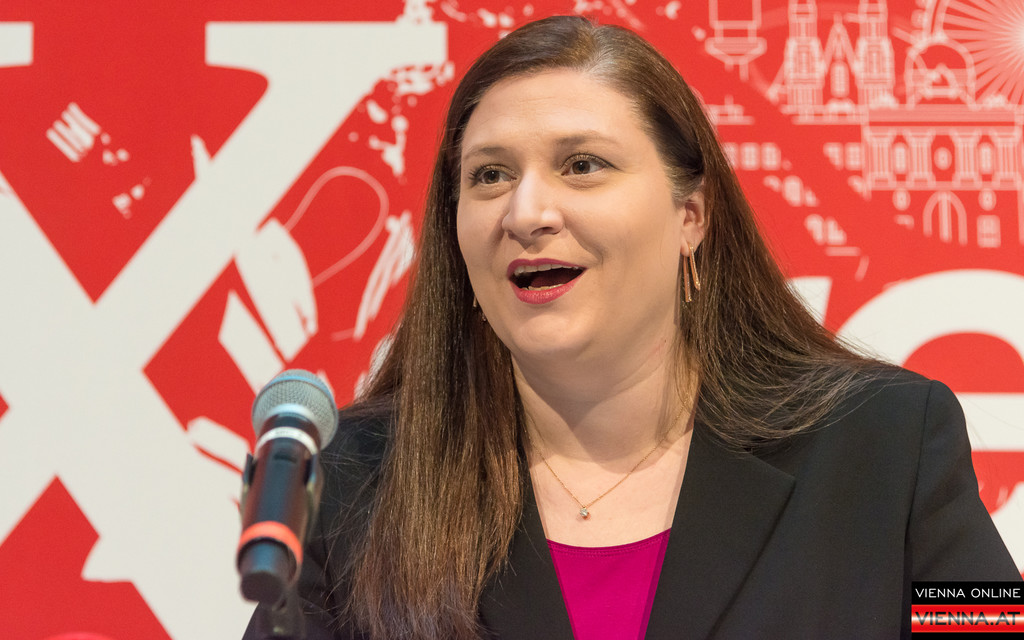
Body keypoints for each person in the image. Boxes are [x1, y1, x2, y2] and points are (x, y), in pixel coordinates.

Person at [243, 15, 1019, 640]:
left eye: (582, 164)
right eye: (490, 175)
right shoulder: (352, 483)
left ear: (691, 215)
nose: (525, 212)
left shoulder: (886, 443)